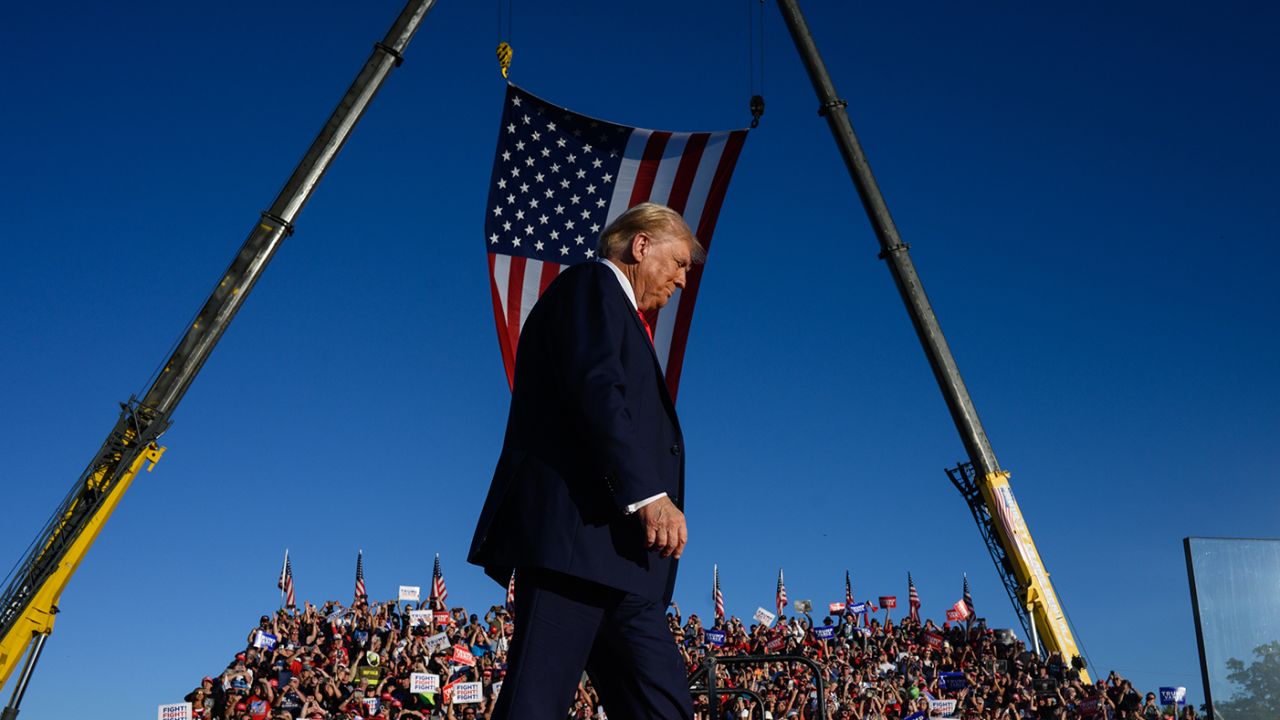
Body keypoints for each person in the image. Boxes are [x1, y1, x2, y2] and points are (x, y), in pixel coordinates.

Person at [468, 202, 701, 719]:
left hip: (626, 562)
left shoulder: (622, 315)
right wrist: (648, 493)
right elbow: (595, 390)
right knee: (536, 705)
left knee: (664, 708)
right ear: (641, 246)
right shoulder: (591, 287)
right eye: (679, 262)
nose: (683, 280)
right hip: (575, 546)